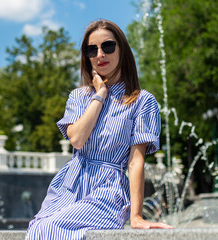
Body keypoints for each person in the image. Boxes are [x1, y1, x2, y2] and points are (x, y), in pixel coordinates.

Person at [26, 19, 173, 239]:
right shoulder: (79, 97)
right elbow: (77, 139)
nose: (100, 54)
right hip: (70, 184)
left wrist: (136, 216)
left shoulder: (142, 101)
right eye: (91, 49)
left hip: (108, 189)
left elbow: (135, 161)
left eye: (108, 46)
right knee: (37, 228)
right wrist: (100, 95)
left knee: (49, 229)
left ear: (122, 49)